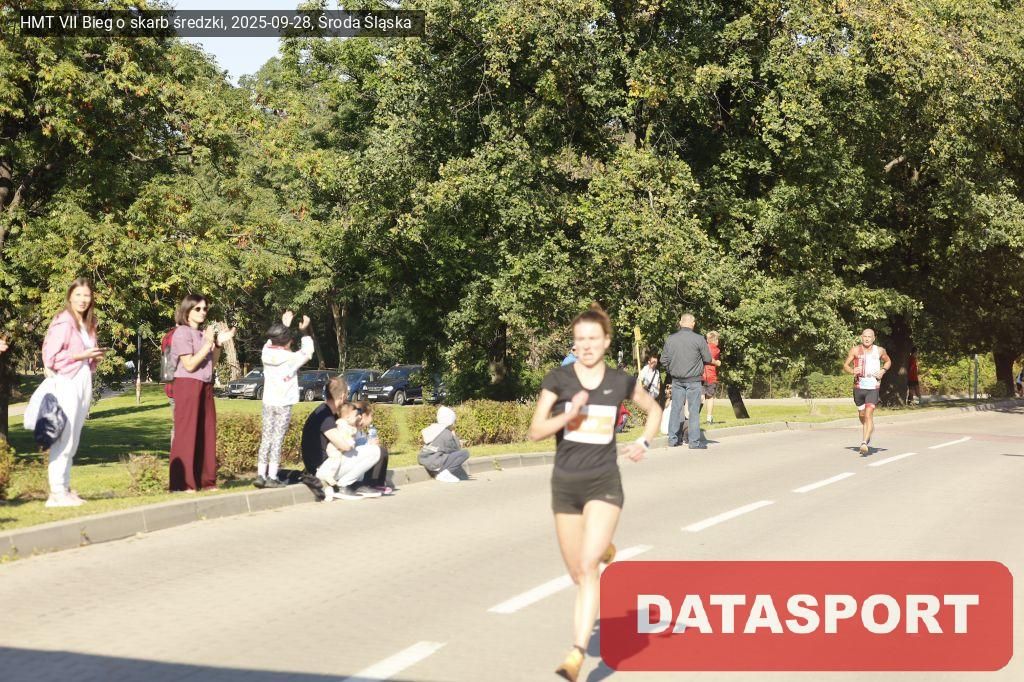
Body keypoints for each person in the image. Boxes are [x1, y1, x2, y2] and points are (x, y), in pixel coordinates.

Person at [528, 303, 661, 682]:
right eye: (580, 339)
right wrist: (568, 415)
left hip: (604, 483)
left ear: (606, 341)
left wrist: (644, 442)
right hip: (565, 485)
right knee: (577, 571)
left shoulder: (620, 381)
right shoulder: (558, 379)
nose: (586, 345)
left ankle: (576, 654)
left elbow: (653, 410)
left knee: (588, 569)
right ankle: (604, 549)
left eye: (593, 338)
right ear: (575, 343)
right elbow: (536, 431)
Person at [40, 278, 107, 507]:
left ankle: (65, 489)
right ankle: (56, 492)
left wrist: (94, 356)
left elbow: (87, 356)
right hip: (67, 381)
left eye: (86, 295)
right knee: (65, 437)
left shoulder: (88, 323)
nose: (82, 300)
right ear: (70, 296)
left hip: (83, 379)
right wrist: (81, 356)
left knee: (74, 438)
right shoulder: (63, 322)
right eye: (78, 295)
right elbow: (50, 357)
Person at [168, 294, 234, 492]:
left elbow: (211, 365)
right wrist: (207, 343)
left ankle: (206, 481)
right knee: (186, 433)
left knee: (206, 432)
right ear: (187, 311)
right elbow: (189, 365)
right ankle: (183, 484)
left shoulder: (202, 335)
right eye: (198, 308)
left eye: (205, 308)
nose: (202, 312)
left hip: (205, 384)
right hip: (187, 384)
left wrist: (218, 344)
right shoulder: (182, 333)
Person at [254, 311, 314, 489]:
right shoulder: (290, 358)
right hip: (283, 404)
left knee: (266, 438)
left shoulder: (266, 353)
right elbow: (308, 352)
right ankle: (272, 476)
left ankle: (260, 475)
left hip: (268, 401)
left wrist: (284, 326)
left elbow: (271, 342)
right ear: (288, 341)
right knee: (277, 439)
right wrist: (304, 331)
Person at [301, 376, 381, 500]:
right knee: (374, 451)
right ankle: (343, 486)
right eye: (347, 395)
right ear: (343, 396)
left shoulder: (325, 412)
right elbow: (343, 445)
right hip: (323, 469)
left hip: (325, 465)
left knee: (364, 447)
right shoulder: (325, 416)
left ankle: (354, 484)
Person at [660, 313, 712, 449]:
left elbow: (663, 360)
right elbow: (707, 358)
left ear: (680, 323)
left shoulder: (670, 339)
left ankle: (673, 439)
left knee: (676, 409)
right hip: (694, 380)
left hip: (676, 380)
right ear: (693, 324)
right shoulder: (699, 339)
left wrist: (672, 370)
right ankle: (694, 442)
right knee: (693, 411)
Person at [843, 328, 892, 455]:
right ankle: (869, 428)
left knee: (868, 414)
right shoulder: (855, 350)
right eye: (865, 336)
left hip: (873, 387)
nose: (867, 339)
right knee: (862, 415)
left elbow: (888, 361)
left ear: (874, 338)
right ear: (861, 337)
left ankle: (864, 442)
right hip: (859, 387)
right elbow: (845, 365)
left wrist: (883, 371)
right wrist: (852, 371)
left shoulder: (879, 350)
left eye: (869, 337)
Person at [418, 406, 470, 482]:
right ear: (450, 421)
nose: (454, 424)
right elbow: (455, 450)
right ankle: (443, 474)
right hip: (434, 462)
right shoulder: (446, 433)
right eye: (454, 421)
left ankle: (442, 472)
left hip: (424, 459)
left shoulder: (433, 429)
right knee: (465, 453)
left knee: (447, 456)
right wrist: (456, 439)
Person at [353, 400, 392, 495]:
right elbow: (355, 448)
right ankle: (371, 484)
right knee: (381, 451)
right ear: (364, 416)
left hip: (361, 460)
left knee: (381, 450)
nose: (372, 418)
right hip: (355, 463)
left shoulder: (361, 431)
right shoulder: (353, 430)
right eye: (371, 415)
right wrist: (369, 444)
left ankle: (378, 483)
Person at [702, 331, 722, 424]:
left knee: (700, 397)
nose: (718, 341)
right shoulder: (716, 350)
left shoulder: (703, 348)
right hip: (711, 376)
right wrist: (717, 362)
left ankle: (692, 418)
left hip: (701, 375)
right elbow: (712, 359)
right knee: (709, 397)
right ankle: (709, 418)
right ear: (714, 340)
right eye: (717, 339)